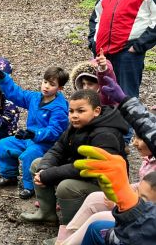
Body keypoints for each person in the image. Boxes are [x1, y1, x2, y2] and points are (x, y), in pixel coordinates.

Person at [20, 89, 128, 225]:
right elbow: (57, 150)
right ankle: (46, 214)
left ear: (96, 111)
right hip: (85, 175)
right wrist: (44, 169)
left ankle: (70, 229)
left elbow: (90, 168)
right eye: (71, 111)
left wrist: (49, 174)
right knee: (37, 163)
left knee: (67, 187)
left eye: (81, 111)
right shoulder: (76, 126)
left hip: (106, 187)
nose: (74, 116)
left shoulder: (105, 134)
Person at [88, 0, 156, 99]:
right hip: (102, 54)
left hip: (128, 54)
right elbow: (96, 16)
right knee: (100, 98)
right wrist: (94, 41)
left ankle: (129, 125)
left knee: (127, 100)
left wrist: (139, 46)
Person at [0, 66, 69, 199]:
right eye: (45, 82)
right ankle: (9, 175)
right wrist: (3, 78)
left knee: (30, 155)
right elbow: (17, 94)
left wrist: (34, 134)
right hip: (29, 138)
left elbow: (55, 131)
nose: (46, 86)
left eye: (52, 84)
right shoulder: (35, 97)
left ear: (60, 88)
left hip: (46, 144)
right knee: (4, 144)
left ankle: (30, 186)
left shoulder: (59, 107)